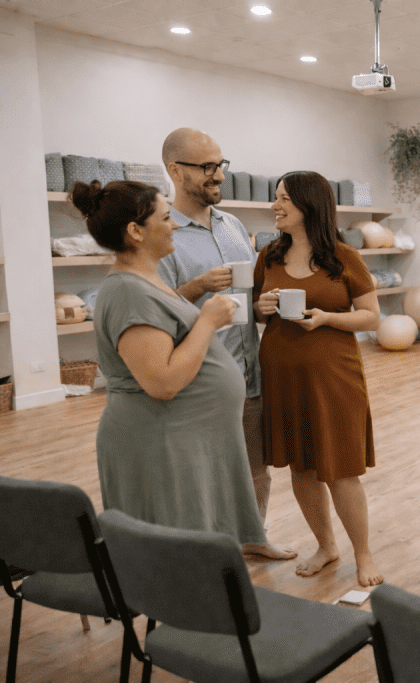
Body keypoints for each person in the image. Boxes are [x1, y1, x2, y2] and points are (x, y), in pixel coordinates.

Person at [73, 179, 266, 547]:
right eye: (165, 218)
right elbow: (162, 382)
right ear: (135, 231)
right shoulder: (128, 291)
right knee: (174, 556)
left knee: (192, 549)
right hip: (160, 442)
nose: (175, 224)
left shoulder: (146, 281)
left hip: (179, 439)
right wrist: (208, 320)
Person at [157, 128, 294, 560]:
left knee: (255, 467)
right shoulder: (162, 234)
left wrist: (262, 306)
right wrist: (197, 286)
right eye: (207, 167)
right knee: (202, 473)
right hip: (200, 379)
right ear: (175, 170)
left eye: (220, 164)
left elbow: (246, 300)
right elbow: (154, 311)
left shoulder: (232, 225)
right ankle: (203, 553)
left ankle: (254, 537)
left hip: (248, 372)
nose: (218, 175)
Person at [253, 170, 383, 586]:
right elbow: (257, 311)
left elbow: (372, 317)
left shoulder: (345, 257)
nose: (275, 206)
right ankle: (326, 547)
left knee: (341, 469)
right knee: (301, 467)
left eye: (284, 199)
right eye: (276, 197)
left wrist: (327, 318)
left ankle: (363, 555)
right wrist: (262, 308)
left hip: (333, 376)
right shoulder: (269, 255)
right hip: (282, 375)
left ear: (309, 205)